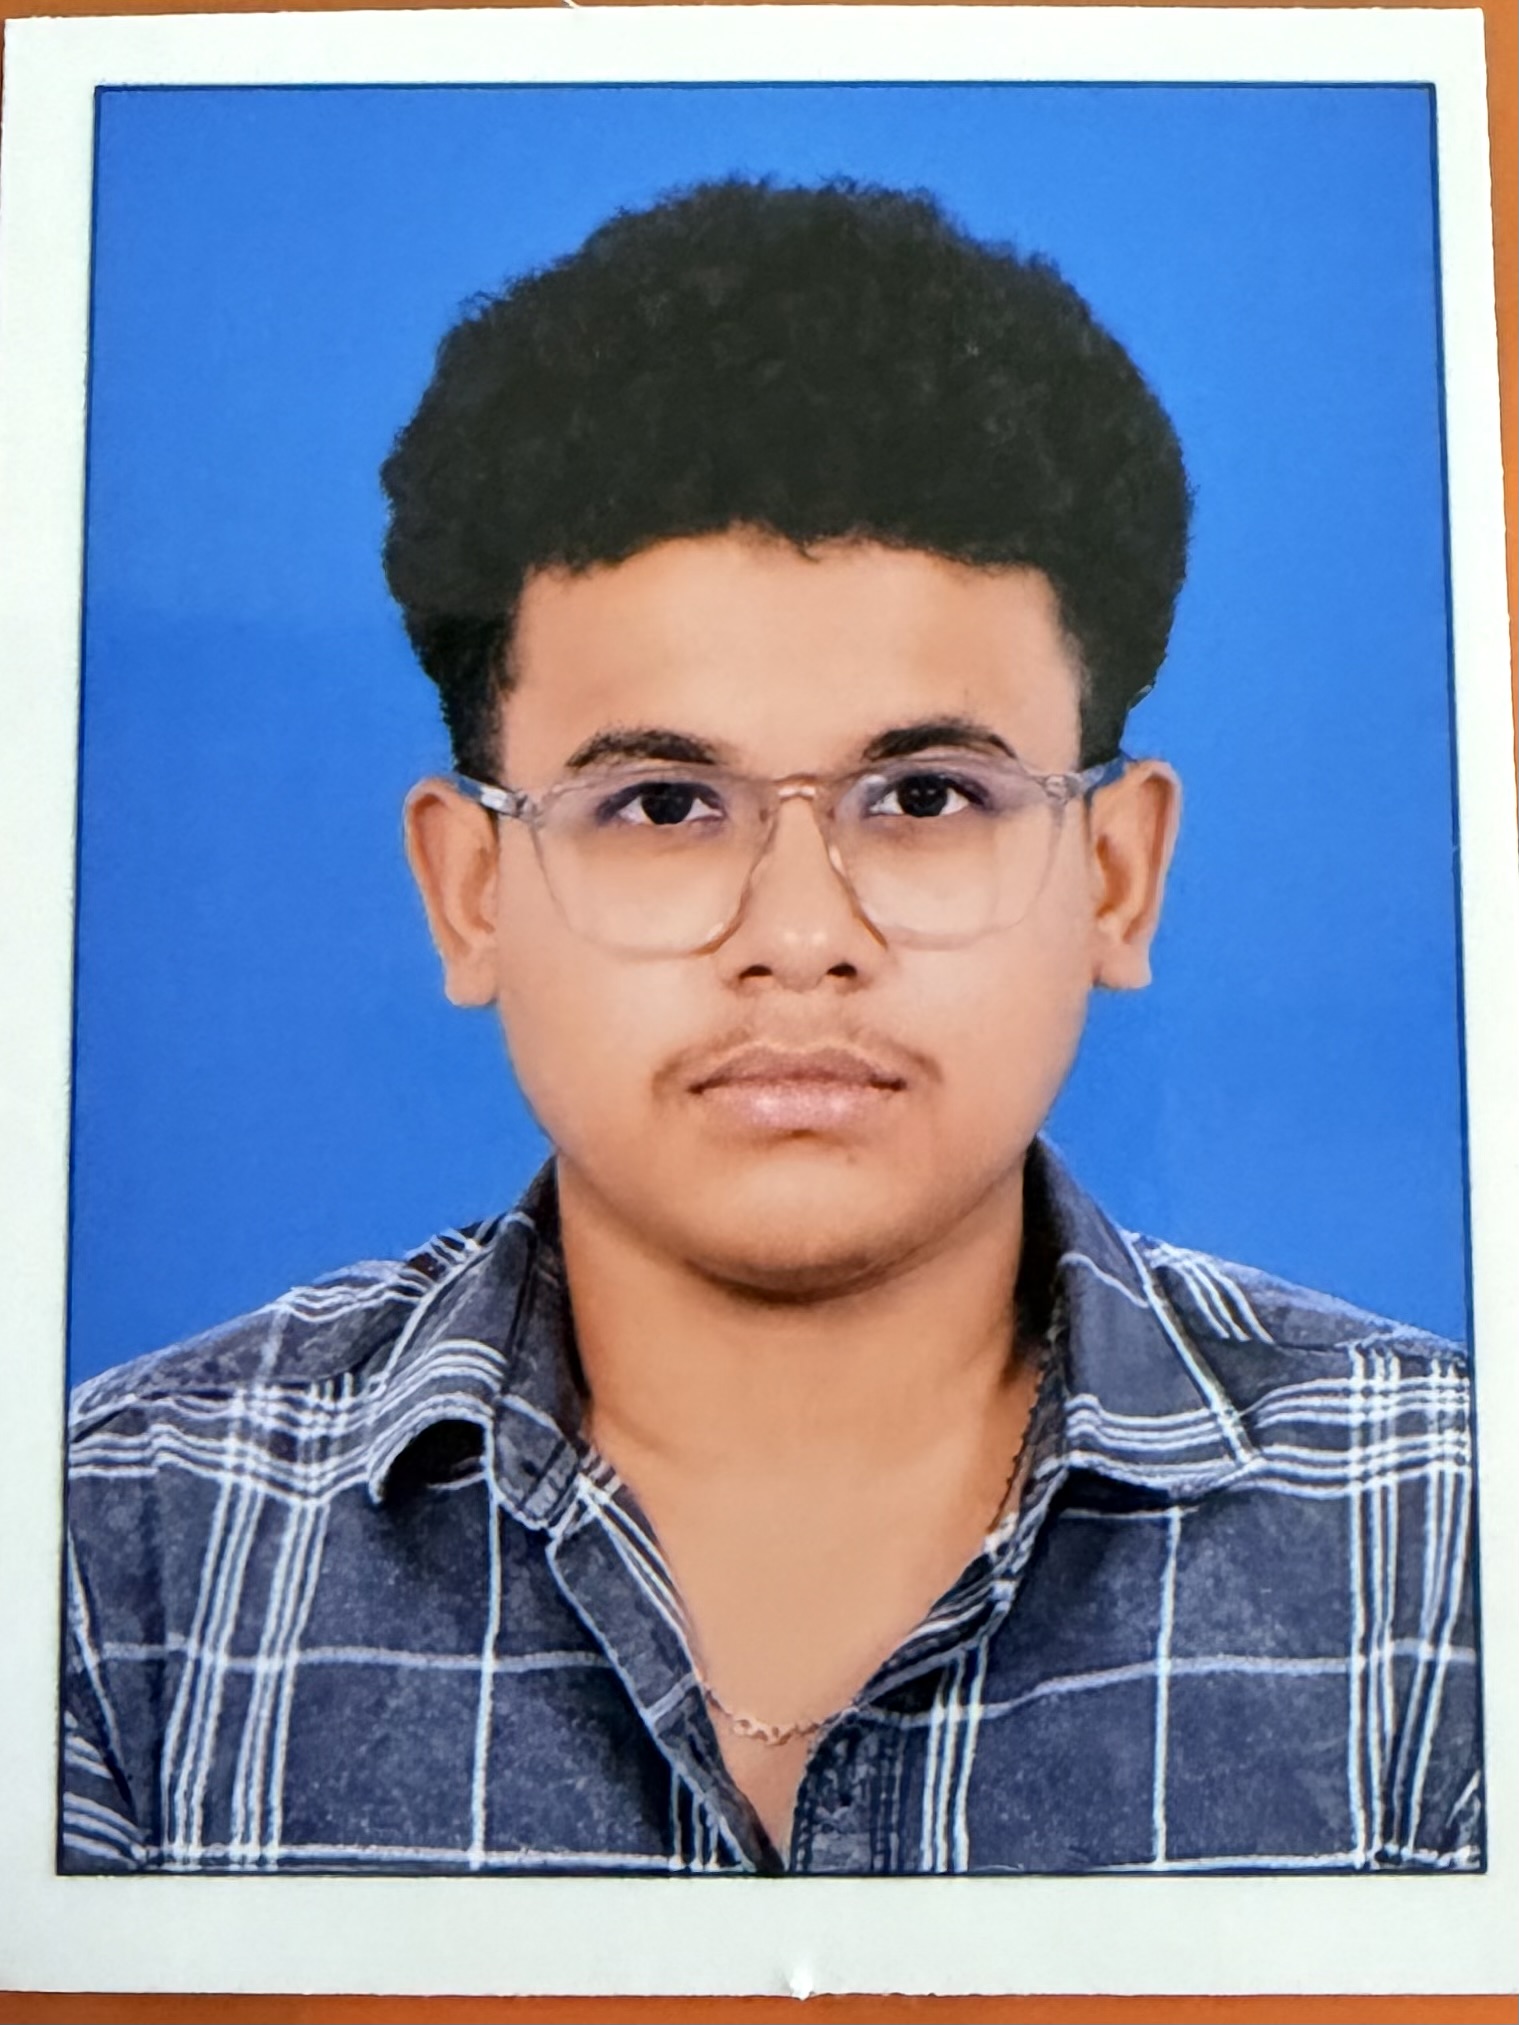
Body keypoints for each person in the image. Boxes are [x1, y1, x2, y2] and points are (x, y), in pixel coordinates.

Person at [61, 178, 1481, 1877]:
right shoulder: (117, 1563)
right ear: (469, 890)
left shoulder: (1452, 1553)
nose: (801, 939)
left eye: (927, 794)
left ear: (1118, 871)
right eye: (664, 805)